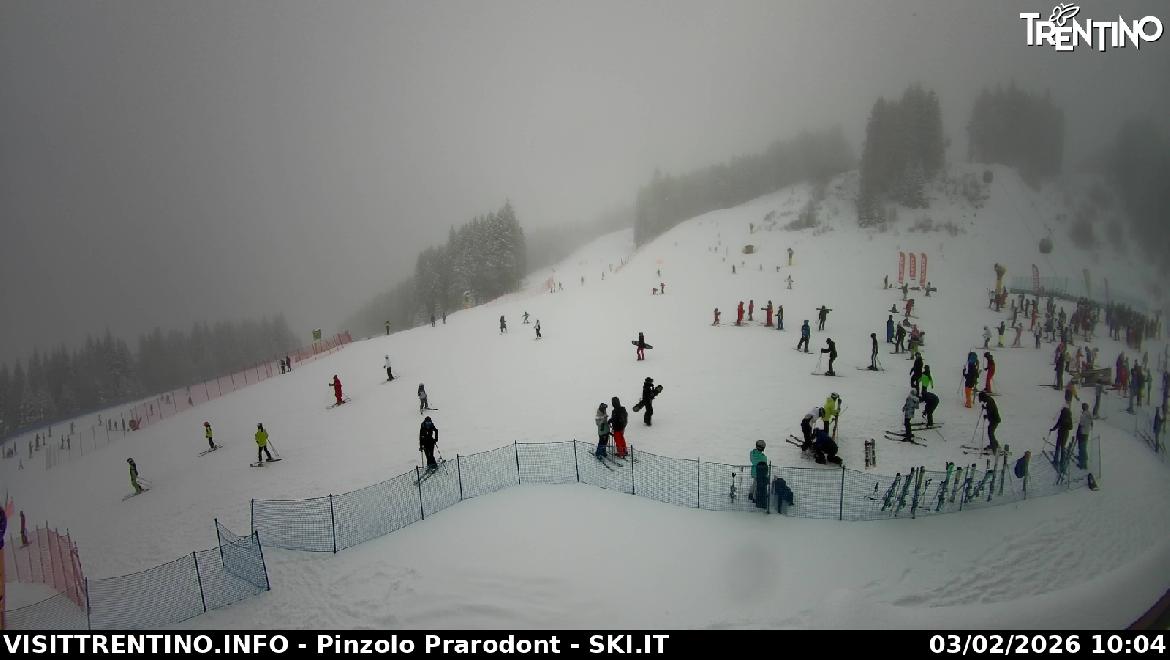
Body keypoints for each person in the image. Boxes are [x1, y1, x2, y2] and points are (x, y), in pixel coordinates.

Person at [1050, 405, 1073, 470]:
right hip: (1063, 434)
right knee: (1060, 447)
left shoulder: (1065, 418)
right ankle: (1059, 461)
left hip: (1062, 434)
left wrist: (1054, 429)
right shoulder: (1066, 417)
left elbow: (1059, 424)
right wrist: (1054, 429)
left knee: (1060, 447)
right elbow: (1069, 427)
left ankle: (1058, 461)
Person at [749, 440, 769, 508]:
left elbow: (753, 461)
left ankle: (750, 494)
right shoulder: (762, 457)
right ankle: (755, 498)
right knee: (757, 486)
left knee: (754, 483)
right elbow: (764, 464)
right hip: (760, 472)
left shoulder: (752, 453)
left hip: (754, 472)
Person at [1076, 402, 1093, 470]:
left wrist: (1078, 433)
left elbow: (1081, 424)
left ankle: (1083, 463)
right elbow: (1091, 424)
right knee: (1084, 447)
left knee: (1081, 448)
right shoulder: (1090, 414)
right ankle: (1084, 460)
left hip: (1082, 433)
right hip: (1087, 433)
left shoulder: (1083, 415)